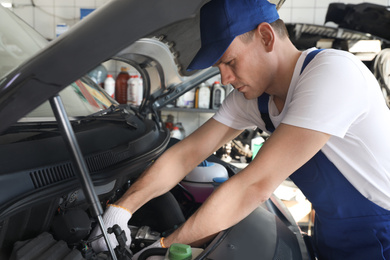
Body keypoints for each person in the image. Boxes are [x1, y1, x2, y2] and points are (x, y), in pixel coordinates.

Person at [90, 0, 390, 259]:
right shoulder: (255, 100)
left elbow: (254, 186)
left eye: (230, 61)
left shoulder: (332, 74)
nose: (224, 78)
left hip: (382, 234)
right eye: (219, 66)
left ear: (265, 36)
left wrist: (165, 248)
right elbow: (185, 155)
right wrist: (121, 210)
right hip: (331, 232)